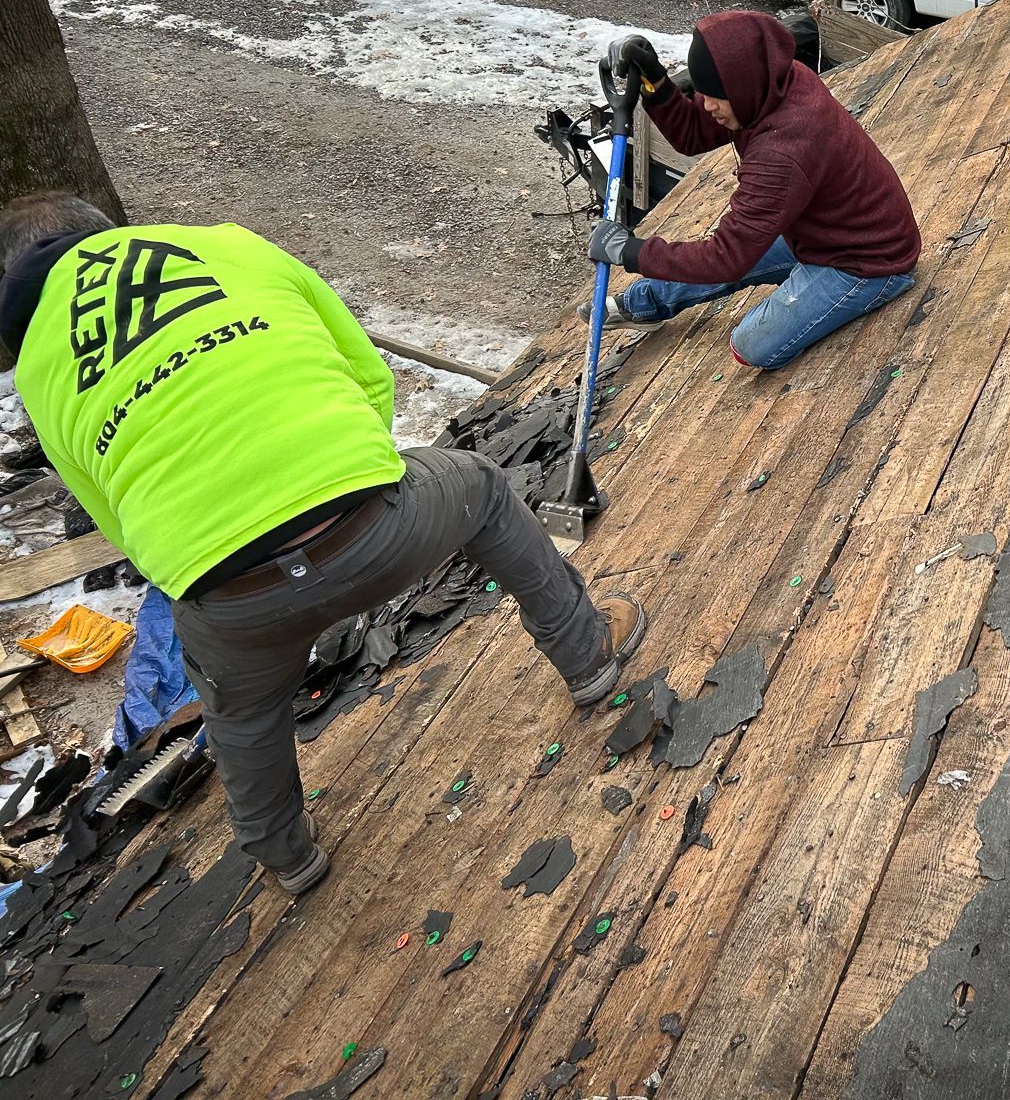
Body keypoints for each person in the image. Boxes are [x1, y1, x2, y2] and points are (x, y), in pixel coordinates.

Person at [0, 193, 643, 896]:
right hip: (375, 524)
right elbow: (368, 374)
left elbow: (116, 521)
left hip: (229, 599)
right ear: (108, 233)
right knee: (483, 488)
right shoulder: (229, 245)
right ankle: (588, 659)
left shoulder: (36, 367)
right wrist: (349, 484)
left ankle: (286, 858)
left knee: (240, 712)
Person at [585, 11, 921, 370]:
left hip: (866, 260)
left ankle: (870, 287)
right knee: (733, 252)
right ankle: (642, 303)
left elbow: (727, 258)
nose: (707, 104)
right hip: (816, 233)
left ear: (742, 85)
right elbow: (691, 135)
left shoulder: (784, 148)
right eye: (703, 93)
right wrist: (655, 81)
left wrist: (630, 251)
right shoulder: (768, 86)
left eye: (715, 97)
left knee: (751, 345)